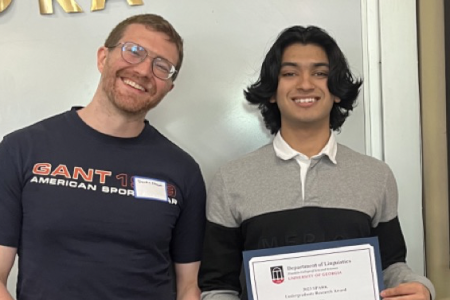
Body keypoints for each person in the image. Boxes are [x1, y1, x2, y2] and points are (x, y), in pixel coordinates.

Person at [198, 25, 435, 300]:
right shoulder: (231, 179)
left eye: (320, 73)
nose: (305, 84)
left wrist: (422, 289)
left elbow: (391, 265)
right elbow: (218, 286)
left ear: (336, 91)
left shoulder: (375, 175)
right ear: (272, 91)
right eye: (289, 73)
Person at [0, 14, 206, 300]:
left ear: (168, 88)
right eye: (134, 51)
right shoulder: (21, 149)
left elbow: (188, 288)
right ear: (102, 58)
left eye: (162, 66)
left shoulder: (184, 172)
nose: (145, 70)